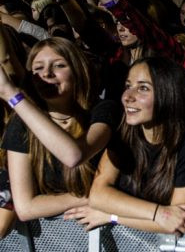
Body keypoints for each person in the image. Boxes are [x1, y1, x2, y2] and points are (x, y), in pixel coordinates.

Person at [0, 37, 120, 222]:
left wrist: (12, 94)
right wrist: (93, 198)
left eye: (58, 66)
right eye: (38, 68)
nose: (46, 74)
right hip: (58, 240)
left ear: (78, 71)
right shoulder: (21, 124)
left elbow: (74, 155)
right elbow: (25, 208)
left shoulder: (103, 111)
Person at [87, 57, 185, 234]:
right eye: (128, 86)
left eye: (143, 88)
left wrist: (112, 216)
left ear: (168, 93)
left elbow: (179, 222)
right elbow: (98, 195)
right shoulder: (124, 130)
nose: (127, 97)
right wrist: (158, 213)